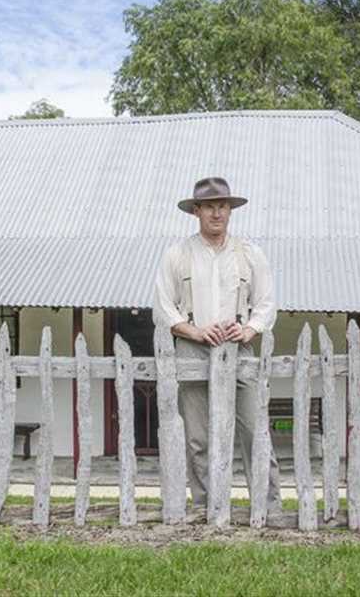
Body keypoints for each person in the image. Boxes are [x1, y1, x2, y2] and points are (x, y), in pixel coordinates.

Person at [153, 176, 281, 512]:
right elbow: (163, 308)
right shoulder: (177, 255)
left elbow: (266, 302)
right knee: (198, 438)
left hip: (238, 350)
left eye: (222, 206)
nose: (216, 213)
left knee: (256, 430)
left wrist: (249, 330)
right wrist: (195, 331)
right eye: (209, 206)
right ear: (196, 211)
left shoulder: (250, 254)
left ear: (230, 210)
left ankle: (267, 507)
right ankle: (207, 506)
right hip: (192, 349)